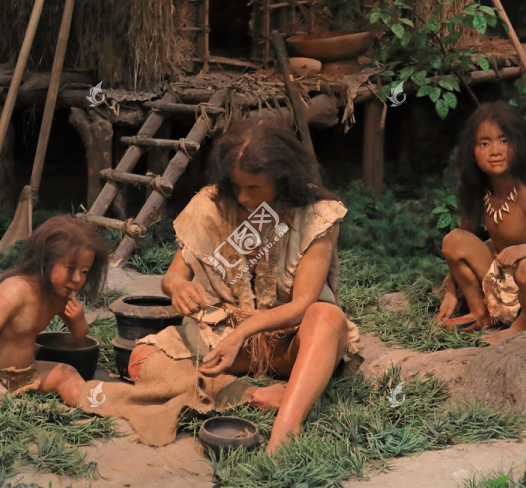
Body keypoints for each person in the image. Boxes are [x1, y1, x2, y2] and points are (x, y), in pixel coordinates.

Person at [128, 117, 360, 455]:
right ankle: (257, 394)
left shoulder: (316, 214)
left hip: (292, 344)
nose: (243, 196)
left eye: (254, 188)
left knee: (327, 317)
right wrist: (177, 287)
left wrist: (242, 334)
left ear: (282, 180)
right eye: (236, 186)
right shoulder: (211, 205)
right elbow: (172, 276)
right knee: (140, 358)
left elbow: (302, 304)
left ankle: (286, 428)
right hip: (225, 343)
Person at [437, 101, 526, 344]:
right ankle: (480, 314)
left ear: (519, 146)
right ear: (472, 151)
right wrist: (451, 291)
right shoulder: (481, 194)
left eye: (504, 141)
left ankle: (517, 329)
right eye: (484, 143)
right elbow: (462, 242)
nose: (495, 151)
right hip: (501, 286)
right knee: (453, 239)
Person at [0, 215, 109, 408]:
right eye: (71, 268)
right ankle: (31, 410)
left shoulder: (58, 296)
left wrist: (78, 318)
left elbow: (79, 336)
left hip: (26, 373)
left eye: (85, 271)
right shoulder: (15, 290)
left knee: (68, 373)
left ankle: (92, 405)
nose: (78, 278)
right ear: (47, 262)